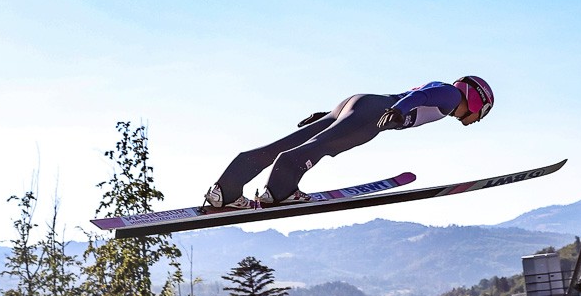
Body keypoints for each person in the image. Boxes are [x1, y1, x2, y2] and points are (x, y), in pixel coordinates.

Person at [204, 76, 495, 209]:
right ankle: (278, 191)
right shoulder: (451, 95)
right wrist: (399, 111)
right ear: (475, 100)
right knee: (323, 145)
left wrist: (329, 116)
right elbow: (422, 97)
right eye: (482, 112)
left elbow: (419, 95)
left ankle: (225, 190)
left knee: (292, 142)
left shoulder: (446, 93)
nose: (478, 119)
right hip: (374, 113)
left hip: (360, 103)